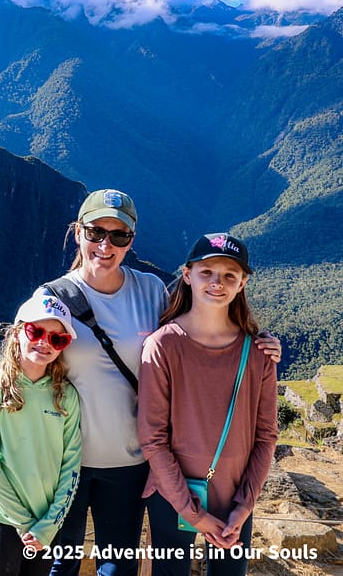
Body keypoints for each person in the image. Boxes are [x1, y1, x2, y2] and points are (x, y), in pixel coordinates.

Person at [0, 189, 282, 576]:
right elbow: (21, 357)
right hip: (65, 462)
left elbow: (202, 326)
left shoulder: (151, 291)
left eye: (119, 236)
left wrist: (260, 342)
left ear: (131, 240)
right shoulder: (53, 298)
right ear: (78, 232)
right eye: (96, 232)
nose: (106, 245)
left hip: (130, 462)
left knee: (117, 569)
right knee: (60, 568)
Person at [137, 233, 277, 576]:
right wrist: (192, 512)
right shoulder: (163, 347)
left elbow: (266, 435)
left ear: (243, 283)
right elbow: (153, 438)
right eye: (207, 272)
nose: (217, 283)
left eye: (230, 275)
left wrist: (245, 505)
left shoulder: (258, 354)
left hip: (233, 497)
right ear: (187, 275)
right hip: (173, 495)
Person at [0, 289, 82, 576]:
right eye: (36, 331)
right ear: (17, 333)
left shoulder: (66, 397)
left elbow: (71, 466)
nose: (44, 343)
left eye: (57, 338)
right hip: (3, 518)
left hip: (47, 521)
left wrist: (48, 525)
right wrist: (24, 523)